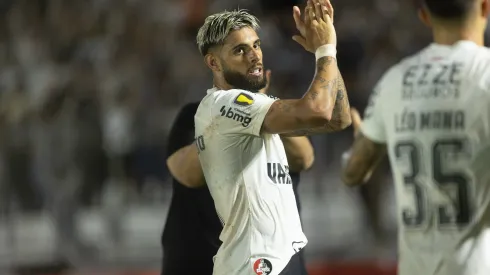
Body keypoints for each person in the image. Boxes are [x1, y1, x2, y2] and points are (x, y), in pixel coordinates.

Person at [183, 1, 351, 274]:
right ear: (213, 62)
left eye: (256, 45)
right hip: (256, 262)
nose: (254, 56)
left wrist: (326, 53)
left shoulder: (250, 106)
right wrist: (325, 50)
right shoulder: (225, 104)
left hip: (275, 258)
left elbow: (337, 119)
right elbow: (319, 111)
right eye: (240, 50)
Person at [340, 0, 490, 274]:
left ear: (424, 16)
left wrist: (362, 138)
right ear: (485, 8)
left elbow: (352, 172)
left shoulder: (394, 80)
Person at [163, 70, 314, 275]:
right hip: (202, 261)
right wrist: (229, 120)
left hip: (277, 265)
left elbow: (304, 158)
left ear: (266, 78)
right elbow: (187, 174)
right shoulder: (193, 116)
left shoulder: (283, 116)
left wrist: (260, 112)